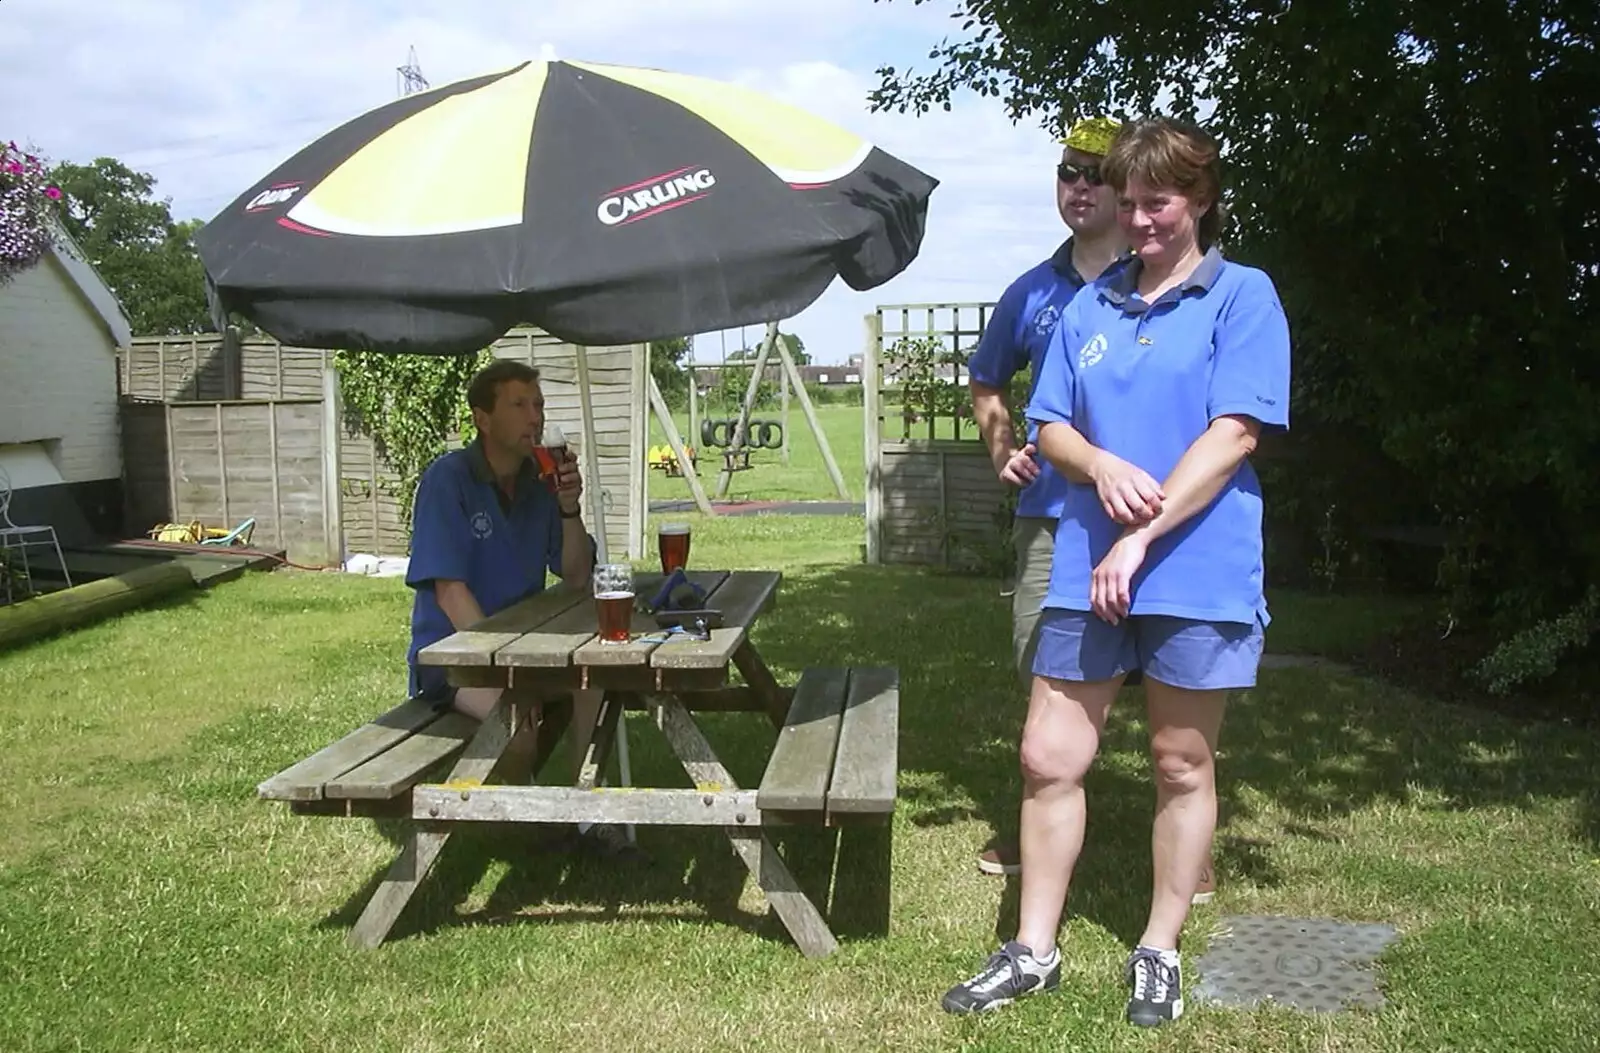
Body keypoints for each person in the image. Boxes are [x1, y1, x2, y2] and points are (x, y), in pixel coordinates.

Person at [942, 116, 1290, 1028]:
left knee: (1180, 761)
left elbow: (1236, 432)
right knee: (1046, 755)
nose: (1137, 220)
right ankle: (1033, 950)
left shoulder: (1242, 298)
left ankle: (1159, 948)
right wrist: (1097, 468)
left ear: (1202, 201)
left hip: (1195, 566)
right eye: (1128, 202)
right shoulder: (1091, 306)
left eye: (1157, 203)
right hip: (1088, 564)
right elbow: (1048, 419)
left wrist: (1141, 536)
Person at [967, 115, 1128, 878]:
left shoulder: (1163, 275)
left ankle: (1185, 843)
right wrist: (1003, 449)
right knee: (1041, 669)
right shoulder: (1029, 292)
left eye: (1096, 173)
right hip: (1051, 519)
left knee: (1170, 682)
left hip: (1145, 516)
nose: (1080, 186)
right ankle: (1035, 824)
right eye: (1069, 172)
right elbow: (987, 380)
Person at [404, 359, 621, 851]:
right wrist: (505, 670)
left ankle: (581, 813)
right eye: (519, 405)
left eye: (539, 405)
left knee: (595, 680)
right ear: (483, 418)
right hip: (454, 658)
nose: (535, 417)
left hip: (524, 651)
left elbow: (575, 575)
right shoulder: (448, 480)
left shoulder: (537, 481)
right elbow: (449, 593)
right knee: (517, 728)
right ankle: (531, 820)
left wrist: (569, 507)